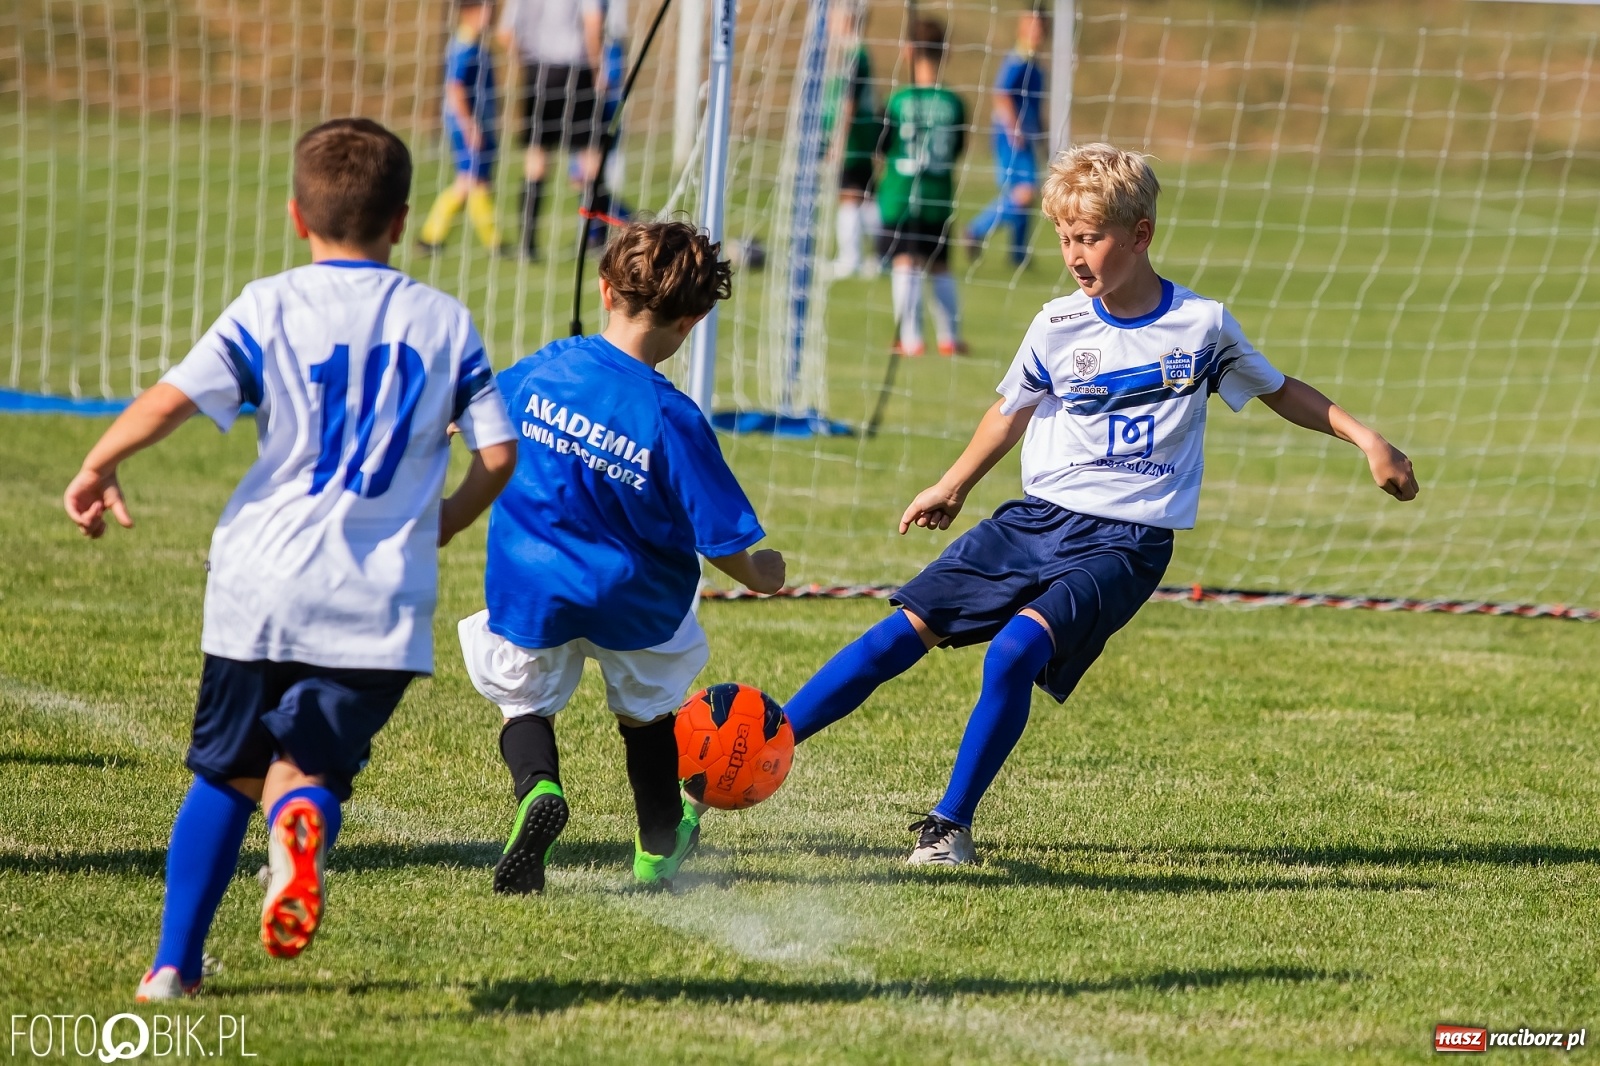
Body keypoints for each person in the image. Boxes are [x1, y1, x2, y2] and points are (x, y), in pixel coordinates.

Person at [781, 143, 1420, 866]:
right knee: (900, 632)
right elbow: (1009, 410)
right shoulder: (1057, 324)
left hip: (1129, 541)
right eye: (1064, 239)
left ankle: (949, 823)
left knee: (1015, 652)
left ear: (1141, 233)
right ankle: (763, 746)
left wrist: (1368, 440)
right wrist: (953, 484)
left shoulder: (1201, 326)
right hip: (1034, 521)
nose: (1074, 256)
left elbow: (1280, 389)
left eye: (1090, 238)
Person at [63, 118, 519, 999]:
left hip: (258, 585)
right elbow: (497, 454)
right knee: (307, 771)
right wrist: (451, 522)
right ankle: (303, 817)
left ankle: (171, 967)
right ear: (401, 220)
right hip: (378, 601)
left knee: (227, 774)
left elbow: (173, 399)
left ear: (295, 217)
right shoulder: (445, 320)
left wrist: (99, 462)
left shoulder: (269, 304)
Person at [457, 221, 785, 894]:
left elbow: (475, 414)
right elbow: (720, 537)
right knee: (647, 723)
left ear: (605, 290)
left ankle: (537, 787)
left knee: (524, 703)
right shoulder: (673, 417)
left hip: (535, 584)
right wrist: (762, 574)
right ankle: (659, 852)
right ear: (693, 321)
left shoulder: (549, 366)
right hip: (635, 601)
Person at [877, 18, 967, 357]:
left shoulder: (900, 100)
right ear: (946, 53)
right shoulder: (954, 103)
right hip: (938, 196)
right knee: (940, 265)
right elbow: (958, 148)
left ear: (908, 51)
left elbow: (883, 146)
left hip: (901, 194)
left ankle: (911, 340)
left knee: (905, 262)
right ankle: (950, 337)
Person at [498, 0, 608, 260]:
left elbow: (505, 33)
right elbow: (593, 23)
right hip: (577, 72)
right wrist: (598, 70)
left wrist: (527, 62)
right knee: (590, 159)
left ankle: (528, 244)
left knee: (536, 160)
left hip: (539, 74)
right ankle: (598, 240)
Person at [418, 0, 506, 255]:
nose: (490, 15)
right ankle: (494, 242)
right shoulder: (464, 46)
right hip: (467, 124)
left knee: (472, 183)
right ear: (469, 12)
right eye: (485, 10)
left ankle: (433, 237)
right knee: (472, 183)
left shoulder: (477, 44)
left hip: (478, 122)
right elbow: (455, 88)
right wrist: (469, 125)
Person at [966, 7, 1048, 266]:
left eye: (1041, 27)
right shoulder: (1018, 57)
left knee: (1026, 193)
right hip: (1011, 136)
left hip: (1026, 135)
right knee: (1025, 192)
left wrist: (1044, 140)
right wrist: (1014, 128)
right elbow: (1001, 93)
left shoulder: (1035, 64)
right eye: (1032, 26)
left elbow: (1036, 106)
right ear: (1021, 27)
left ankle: (1018, 254)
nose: (1037, 32)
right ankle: (976, 229)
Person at [821, 1, 881, 280]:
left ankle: (851, 258)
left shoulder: (855, 54)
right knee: (865, 197)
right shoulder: (847, 52)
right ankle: (880, 255)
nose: (829, 21)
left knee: (850, 194)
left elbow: (849, 103)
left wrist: (838, 140)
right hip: (854, 137)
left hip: (854, 139)